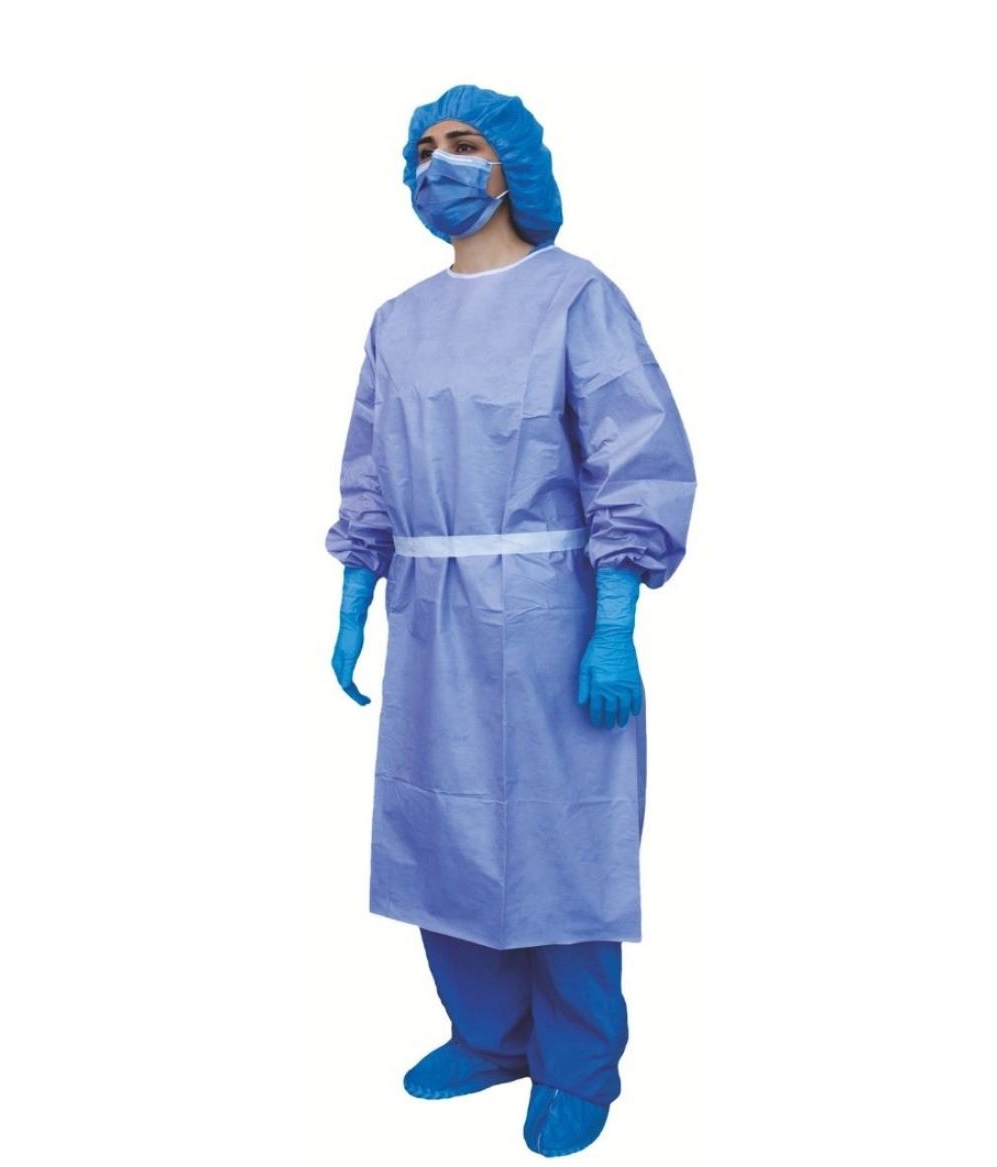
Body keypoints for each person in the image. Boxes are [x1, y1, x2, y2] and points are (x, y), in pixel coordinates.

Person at [325, 83, 697, 1157]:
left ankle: (577, 1063)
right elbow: (369, 467)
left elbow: (636, 452)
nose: (434, 165)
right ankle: (488, 1036)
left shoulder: (575, 296)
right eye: (421, 149)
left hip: (545, 612)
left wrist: (615, 619)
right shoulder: (398, 321)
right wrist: (355, 593)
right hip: (429, 616)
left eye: (461, 144)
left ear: (511, 168)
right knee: (441, 826)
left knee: (555, 833)